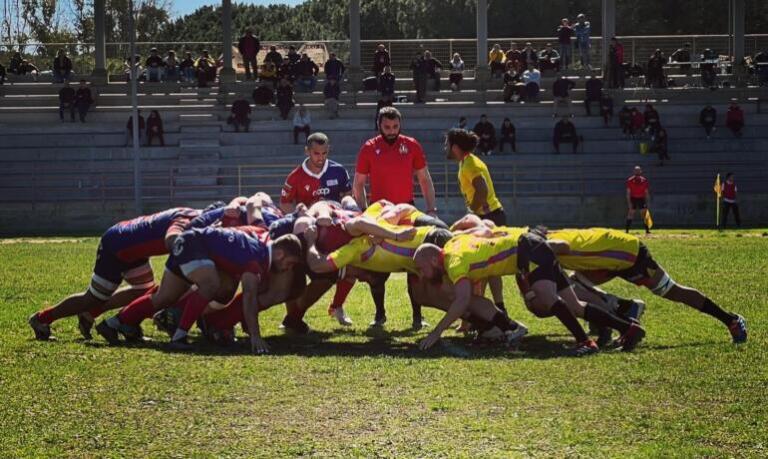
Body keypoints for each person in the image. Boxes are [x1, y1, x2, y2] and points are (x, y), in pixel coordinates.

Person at [413, 230, 638, 355]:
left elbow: (462, 300)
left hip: (527, 250)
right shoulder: (454, 243)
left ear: (434, 259)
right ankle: (629, 328)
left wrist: (437, 332)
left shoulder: (454, 262)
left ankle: (585, 342)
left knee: (548, 299)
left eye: (422, 269)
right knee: (575, 306)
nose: (422, 275)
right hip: (530, 246)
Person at [97, 228, 304, 351]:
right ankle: (179, 336)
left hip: (189, 241)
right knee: (210, 284)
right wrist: (255, 337)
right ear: (279, 255)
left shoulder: (257, 249)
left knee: (164, 297)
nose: (288, 269)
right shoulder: (257, 259)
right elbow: (249, 298)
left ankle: (113, 323)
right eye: (290, 263)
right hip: (194, 244)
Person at [544, 227, 747, 345]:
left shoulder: (546, 244)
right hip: (608, 260)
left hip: (630, 255)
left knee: (672, 291)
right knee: (575, 283)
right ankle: (617, 316)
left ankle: (731, 320)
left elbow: (562, 246)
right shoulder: (544, 240)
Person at [28, 207, 203, 341]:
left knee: (144, 290)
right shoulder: (189, 220)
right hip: (117, 246)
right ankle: (41, 318)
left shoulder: (195, 215)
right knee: (93, 297)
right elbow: (173, 238)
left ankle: (95, 314)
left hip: (130, 245)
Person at [352, 106, 438, 327]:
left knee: (415, 264)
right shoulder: (368, 148)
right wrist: (363, 214)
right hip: (380, 215)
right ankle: (379, 315)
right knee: (377, 268)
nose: (391, 130)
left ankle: (418, 317)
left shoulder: (411, 145)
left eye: (395, 126)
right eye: (387, 126)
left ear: (400, 125)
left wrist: (431, 210)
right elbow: (358, 184)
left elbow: (425, 179)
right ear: (379, 125)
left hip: (407, 212)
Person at [445, 129, 506, 225]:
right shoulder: (465, 161)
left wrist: (471, 212)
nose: (445, 148)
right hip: (487, 215)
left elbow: (482, 190)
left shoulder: (470, 164)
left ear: (455, 147)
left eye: (447, 145)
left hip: (489, 216)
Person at [280, 132, 352, 213]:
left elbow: (348, 195)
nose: (321, 158)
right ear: (307, 151)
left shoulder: (339, 170)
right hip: (309, 221)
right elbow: (284, 203)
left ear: (328, 149)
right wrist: (300, 215)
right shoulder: (294, 176)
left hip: (335, 218)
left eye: (324, 153)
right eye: (316, 153)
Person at [625, 166, 651, 234]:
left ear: (641, 171)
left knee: (644, 214)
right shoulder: (630, 180)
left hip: (641, 198)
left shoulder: (644, 180)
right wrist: (629, 203)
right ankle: (627, 230)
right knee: (631, 214)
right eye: (636, 171)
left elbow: (646, 192)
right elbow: (628, 193)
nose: (637, 172)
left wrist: (648, 202)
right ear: (634, 172)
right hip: (633, 198)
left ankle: (647, 230)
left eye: (638, 171)